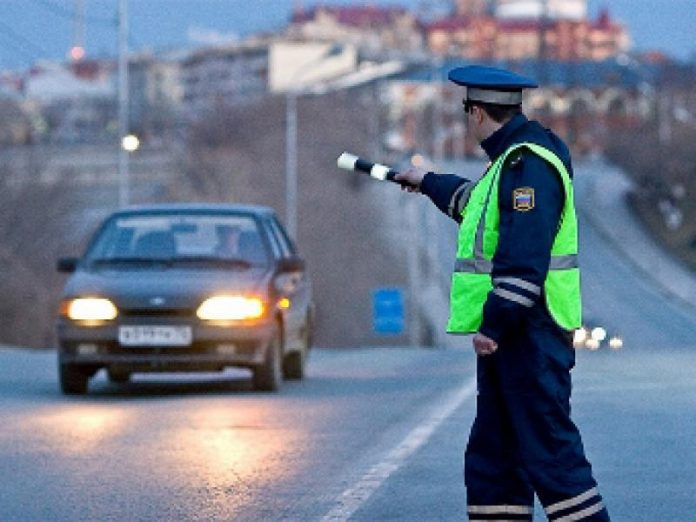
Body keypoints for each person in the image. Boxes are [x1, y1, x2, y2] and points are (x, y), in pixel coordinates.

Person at [395, 65, 610, 521]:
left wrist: (494, 325)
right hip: (518, 336)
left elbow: (523, 255)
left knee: (551, 455)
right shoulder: (511, 162)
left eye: (465, 111)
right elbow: (477, 207)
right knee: (495, 458)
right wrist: (427, 181)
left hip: (529, 333)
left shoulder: (527, 164)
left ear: (475, 112)